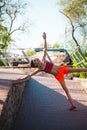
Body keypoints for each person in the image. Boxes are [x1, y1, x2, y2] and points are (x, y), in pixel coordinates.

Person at [14, 32, 87, 111]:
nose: (36, 59)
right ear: (35, 64)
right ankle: (72, 105)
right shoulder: (40, 69)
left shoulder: (44, 60)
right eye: (35, 60)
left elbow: (45, 49)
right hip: (58, 76)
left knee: (78, 69)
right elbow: (30, 75)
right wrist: (21, 79)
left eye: (36, 58)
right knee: (66, 90)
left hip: (61, 69)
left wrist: (45, 39)